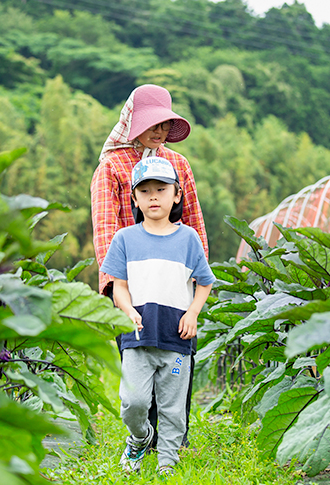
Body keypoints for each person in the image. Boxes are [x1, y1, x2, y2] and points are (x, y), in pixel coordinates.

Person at [90, 84, 209, 448]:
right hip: (133, 282)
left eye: (164, 124)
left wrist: (198, 275)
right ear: (132, 123)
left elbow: (193, 220)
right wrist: (116, 286)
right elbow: (106, 227)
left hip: (174, 279)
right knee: (139, 358)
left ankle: (175, 440)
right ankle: (145, 435)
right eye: (151, 123)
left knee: (178, 354)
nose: (159, 131)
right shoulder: (112, 167)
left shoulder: (178, 164)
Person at [99, 156, 215, 476]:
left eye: (161, 189)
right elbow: (119, 287)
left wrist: (193, 312)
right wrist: (128, 310)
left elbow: (205, 282)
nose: (153, 197)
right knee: (133, 401)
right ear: (134, 199)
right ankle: (140, 437)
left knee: (172, 407)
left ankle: (167, 461)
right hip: (137, 337)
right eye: (145, 191)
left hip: (176, 339)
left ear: (177, 195)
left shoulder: (188, 239)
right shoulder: (124, 239)